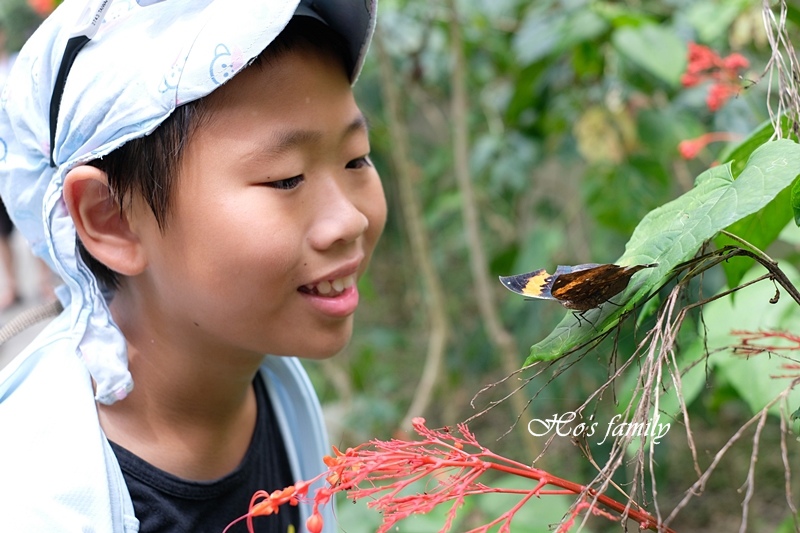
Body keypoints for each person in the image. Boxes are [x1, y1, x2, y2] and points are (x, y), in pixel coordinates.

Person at [0, 0, 385, 532]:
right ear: (112, 219)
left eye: (356, 159)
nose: (349, 220)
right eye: (285, 178)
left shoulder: (274, 387)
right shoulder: (36, 500)